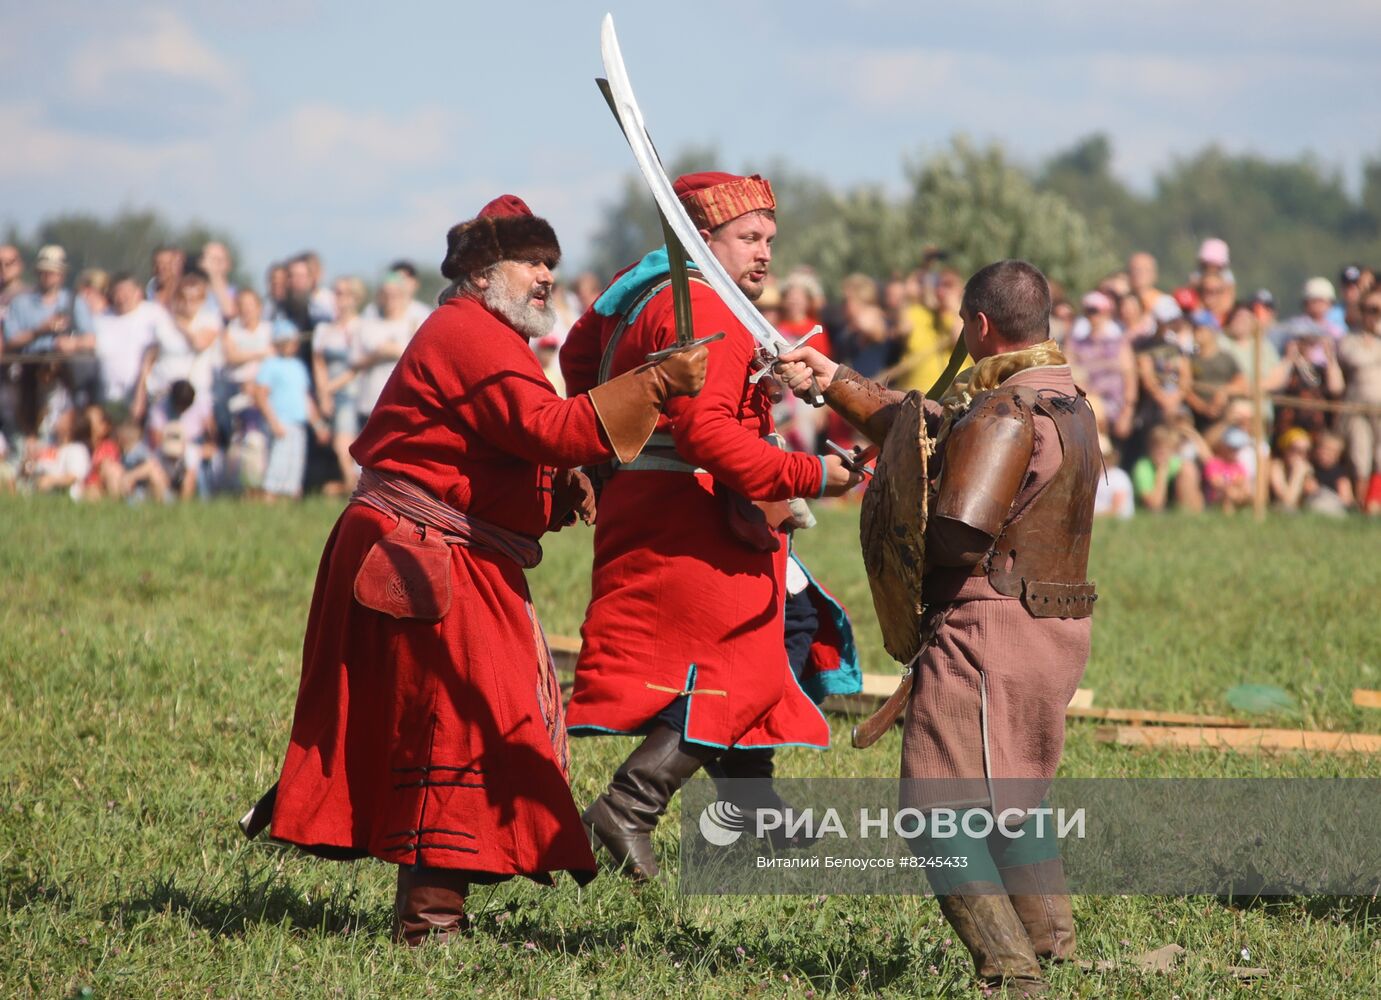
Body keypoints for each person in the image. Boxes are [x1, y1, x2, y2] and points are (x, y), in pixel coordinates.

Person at [260, 195, 708, 945]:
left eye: (550, 265)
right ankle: (429, 926)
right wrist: (655, 381)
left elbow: (506, 443)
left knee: (471, 722)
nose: (544, 277)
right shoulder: (465, 330)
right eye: (531, 262)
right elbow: (545, 427)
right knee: (459, 727)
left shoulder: (492, 338)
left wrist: (550, 485)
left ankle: (432, 911)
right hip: (419, 551)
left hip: (445, 549)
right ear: (477, 273)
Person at [778, 259, 1099, 996]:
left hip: (990, 626)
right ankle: (1051, 952)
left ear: (978, 326)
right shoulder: (1065, 399)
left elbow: (955, 533)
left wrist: (894, 497)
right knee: (1010, 801)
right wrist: (831, 379)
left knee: (936, 810)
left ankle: (1012, 974)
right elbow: (929, 431)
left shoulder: (1005, 410)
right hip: (1048, 625)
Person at [559, 170, 859, 882]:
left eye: (769, 240)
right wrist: (813, 474)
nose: (764, 254)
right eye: (747, 238)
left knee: (787, 627)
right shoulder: (704, 310)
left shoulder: (645, 298)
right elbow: (706, 439)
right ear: (702, 240)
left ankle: (749, 800)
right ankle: (630, 805)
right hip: (688, 520)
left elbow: (578, 362)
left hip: (665, 512)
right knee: (740, 672)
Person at [250, 327, 325, 501]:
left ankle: (288, 505)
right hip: (281, 422)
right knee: (276, 469)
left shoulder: (299, 367)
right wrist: (273, 422)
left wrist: (318, 425)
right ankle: (268, 501)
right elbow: (260, 394)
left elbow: (306, 398)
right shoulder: (270, 364)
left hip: (298, 423)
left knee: (294, 470)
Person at [312, 276, 366, 491]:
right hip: (331, 392)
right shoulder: (324, 329)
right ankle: (350, 486)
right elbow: (319, 362)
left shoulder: (360, 327)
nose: (338, 298)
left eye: (343, 293)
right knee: (338, 444)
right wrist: (324, 393)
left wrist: (329, 388)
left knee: (343, 445)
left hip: (352, 392)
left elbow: (357, 365)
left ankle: (352, 487)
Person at [1336, 285, 1381, 509]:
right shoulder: (1350, 340)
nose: (1376, 315)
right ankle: (1362, 505)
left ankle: (1376, 504)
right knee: (1360, 456)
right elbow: (1355, 359)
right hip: (1358, 407)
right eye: (1372, 309)